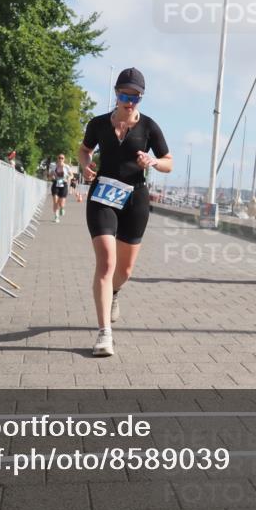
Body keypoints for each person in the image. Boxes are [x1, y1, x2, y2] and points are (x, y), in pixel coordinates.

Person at [78, 68, 172, 357]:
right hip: (103, 195)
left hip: (135, 198)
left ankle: (115, 293)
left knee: (125, 270)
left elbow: (169, 162)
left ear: (141, 97)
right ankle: (104, 333)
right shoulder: (97, 124)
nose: (129, 101)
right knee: (106, 263)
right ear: (116, 94)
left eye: (135, 97)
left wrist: (153, 162)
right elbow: (84, 150)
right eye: (123, 95)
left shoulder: (149, 127)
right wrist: (85, 165)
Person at [49, 154, 71, 222]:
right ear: (57, 159)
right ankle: (56, 217)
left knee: (61, 203)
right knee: (55, 201)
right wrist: (51, 176)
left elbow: (71, 175)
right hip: (56, 183)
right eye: (59, 158)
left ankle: (62, 208)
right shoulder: (53, 166)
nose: (61, 159)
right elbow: (50, 175)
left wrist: (69, 178)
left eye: (62, 158)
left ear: (64, 159)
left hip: (64, 184)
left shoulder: (66, 167)